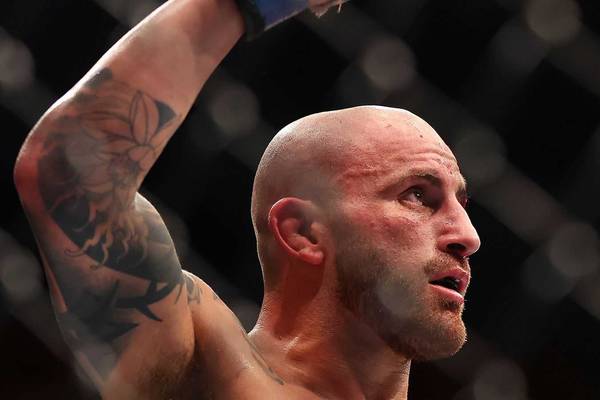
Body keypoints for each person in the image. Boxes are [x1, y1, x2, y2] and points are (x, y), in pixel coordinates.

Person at [13, 0, 480, 398]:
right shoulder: (209, 367)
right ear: (303, 232)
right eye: (417, 196)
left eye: (461, 204)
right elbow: (70, 171)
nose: (467, 236)